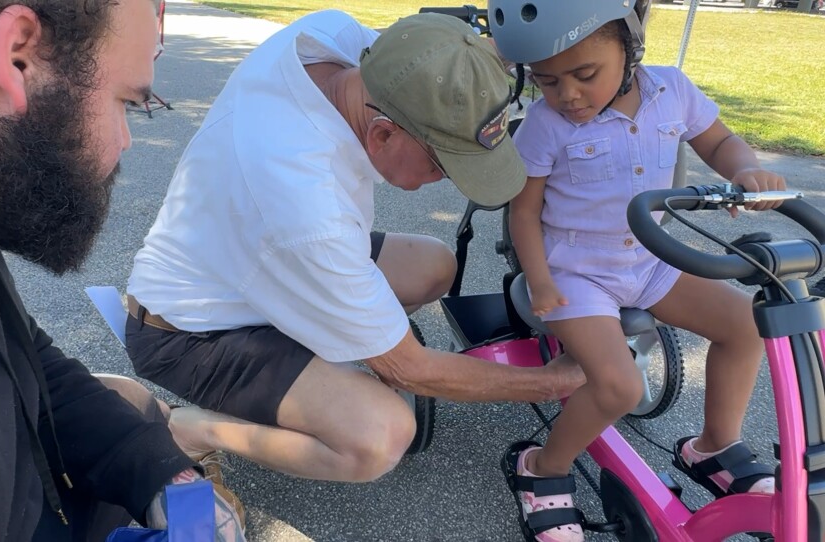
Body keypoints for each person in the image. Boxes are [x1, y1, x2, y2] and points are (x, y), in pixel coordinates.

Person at [124, 9, 585, 484]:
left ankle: (334, 347)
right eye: (443, 166)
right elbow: (411, 369)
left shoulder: (329, 37)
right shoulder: (307, 204)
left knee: (433, 265)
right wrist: (552, 383)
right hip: (186, 334)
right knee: (380, 435)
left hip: (249, 261)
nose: (448, 182)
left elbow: (429, 61)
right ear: (383, 133)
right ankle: (193, 430)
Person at [0, 0, 245, 540]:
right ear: (18, 56)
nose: (125, 140)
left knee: (133, 401)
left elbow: (25, 363)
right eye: (126, 102)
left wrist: (167, 479)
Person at [489, 1, 784, 540]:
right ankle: (542, 469)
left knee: (745, 325)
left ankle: (714, 446)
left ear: (629, 46)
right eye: (547, 81)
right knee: (618, 387)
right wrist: (541, 280)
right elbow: (524, 211)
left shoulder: (672, 89)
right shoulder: (544, 124)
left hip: (648, 260)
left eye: (584, 75)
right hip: (576, 273)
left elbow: (717, 140)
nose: (568, 95)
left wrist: (744, 169)